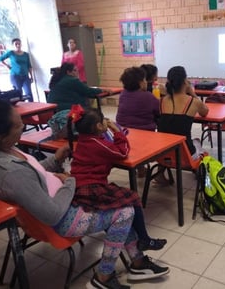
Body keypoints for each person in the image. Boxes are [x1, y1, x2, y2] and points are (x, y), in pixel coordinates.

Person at [0, 98, 169, 289]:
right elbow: (51, 214)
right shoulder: (10, 172)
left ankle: (137, 262)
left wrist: (55, 161)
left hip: (67, 198)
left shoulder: (7, 150)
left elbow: (35, 175)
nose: (25, 125)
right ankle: (103, 278)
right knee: (125, 211)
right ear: (1, 136)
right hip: (63, 216)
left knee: (116, 201)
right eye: (19, 125)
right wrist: (69, 181)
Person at [67, 104, 166, 251]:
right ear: (99, 126)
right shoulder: (97, 143)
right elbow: (122, 152)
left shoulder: (84, 140)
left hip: (80, 186)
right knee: (132, 197)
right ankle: (144, 239)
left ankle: (137, 236)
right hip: (91, 189)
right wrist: (117, 131)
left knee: (123, 197)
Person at [158, 66, 209, 160]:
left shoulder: (161, 101)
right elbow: (205, 112)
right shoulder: (193, 101)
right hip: (186, 155)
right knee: (197, 142)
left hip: (163, 154)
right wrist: (192, 93)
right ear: (185, 81)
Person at [116, 67, 160, 131]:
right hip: (144, 132)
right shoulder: (147, 96)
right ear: (140, 83)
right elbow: (159, 111)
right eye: (144, 80)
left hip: (123, 130)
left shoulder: (123, 93)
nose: (146, 82)